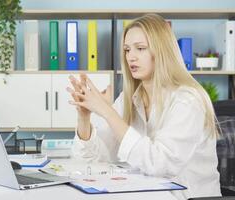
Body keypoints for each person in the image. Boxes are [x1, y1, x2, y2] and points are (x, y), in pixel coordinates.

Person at [66, 14, 221, 200]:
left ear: (162, 51)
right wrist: (84, 118)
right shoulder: (130, 98)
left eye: (140, 48)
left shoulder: (187, 100)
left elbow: (159, 164)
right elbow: (90, 159)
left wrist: (107, 111)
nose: (131, 57)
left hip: (185, 197)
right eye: (127, 50)